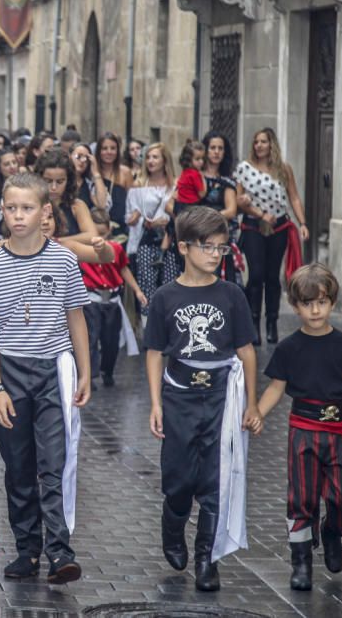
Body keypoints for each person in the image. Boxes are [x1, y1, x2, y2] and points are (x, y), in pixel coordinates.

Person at [0, 172, 91, 584]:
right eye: (11, 208)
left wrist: (85, 370)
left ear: (45, 212)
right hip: (11, 372)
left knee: (52, 465)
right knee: (18, 466)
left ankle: (60, 550)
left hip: (53, 371)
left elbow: (76, 317)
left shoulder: (63, 260)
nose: (18, 216)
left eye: (26, 208)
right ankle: (28, 549)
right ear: (2, 210)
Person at [145, 206, 260, 592]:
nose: (215, 255)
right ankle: (173, 525)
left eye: (222, 249)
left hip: (222, 396)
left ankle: (207, 560)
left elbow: (246, 351)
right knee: (180, 477)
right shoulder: (165, 297)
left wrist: (252, 403)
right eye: (207, 247)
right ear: (183, 247)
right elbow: (155, 352)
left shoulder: (231, 295)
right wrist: (156, 402)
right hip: (179, 396)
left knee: (216, 478)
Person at [255, 264, 342, 591]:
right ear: (295, 305)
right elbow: (275, 388)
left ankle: (332, 532)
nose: (315, 310)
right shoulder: (288, 348)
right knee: (301, 498)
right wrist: (257, 412)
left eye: (322, 302)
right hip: (303, 431)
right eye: (307, 303)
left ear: (333, 303)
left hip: (340, 431)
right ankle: (300, 561)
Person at [235, 127, 308, 345]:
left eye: (263, 142)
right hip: (253, 225)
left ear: (271, 144)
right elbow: (237, 199)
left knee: (272, 277)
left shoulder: (283, 169)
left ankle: (272, 323)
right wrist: (254, 210)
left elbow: (294, 197)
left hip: (279, 225)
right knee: (256, 275)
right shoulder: (244, 169)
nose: (259, 145)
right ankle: (253, 323)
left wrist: (302, 223)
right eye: (256, 142)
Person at [80, 208, 147, 388]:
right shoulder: (82, 251)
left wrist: (137, 291)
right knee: (90, 339)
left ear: (109, 229)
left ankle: (107, 370)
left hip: (112, 299)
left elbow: (124, 269)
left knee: (111, 341)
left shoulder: (116, 249)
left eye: (103, 233)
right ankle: (91, 375)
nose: (100, 237)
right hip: (91, 298)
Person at [125, 143, 178, 319]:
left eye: (155, 157)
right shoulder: (139, 183)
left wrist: (168, 219)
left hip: (169, 240)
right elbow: (130, 215)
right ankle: (149, 327)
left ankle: (169, 327)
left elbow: (181, 212)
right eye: (148, 157)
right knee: (147, 284)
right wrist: (141, 218)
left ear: (165, 160)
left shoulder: (175, 184)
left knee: (170, 283)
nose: (150, 161)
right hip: (146, 240)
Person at [197, 131, 240, 283]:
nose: (216, 152)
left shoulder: (227, 181)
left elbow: (231, 210)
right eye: (213, 147)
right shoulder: (195, 176)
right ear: (205, 150)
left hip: (218, 234)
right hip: (196, 234)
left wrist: (208, 218)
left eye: (220, 148)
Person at [36, 149, 96, 243]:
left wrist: (57, 241)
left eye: (60, 182)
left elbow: (92, 235)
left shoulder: (76, 205)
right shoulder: (31, 205)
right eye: (48, 181)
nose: (54, 187)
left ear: (68, 181)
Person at [94, 133, 133, 242]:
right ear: (99, 151)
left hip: (120, 230)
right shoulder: (93, 172)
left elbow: (133, 201)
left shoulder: (125, 172)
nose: (109, 152)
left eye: (113, 148)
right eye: (105, 148)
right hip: (97, 228)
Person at [70, 143, 109, 211]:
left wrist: (96, 172)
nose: (82, 161)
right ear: (69, 156)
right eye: (78, 156)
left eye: (86, 159)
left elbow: (102, 204)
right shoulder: (62, 180)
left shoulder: (90, 184)